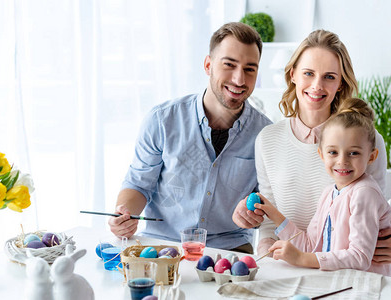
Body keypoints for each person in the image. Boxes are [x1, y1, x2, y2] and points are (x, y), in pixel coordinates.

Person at [232, 29, 391, 264]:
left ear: (341, 83)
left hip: (344, 274)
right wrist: (268, 255)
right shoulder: (268, 139)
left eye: (329, 77)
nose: (317, 85)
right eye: (308, 73)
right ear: (293, 74)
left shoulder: (367, 141)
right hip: (287, 265)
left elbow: (373, 219)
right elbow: (269, 224)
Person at [108, 22, 272, 253]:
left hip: (230, 247)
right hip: (163, 242)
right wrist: (123, 214)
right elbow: (138, 184)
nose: (239, 79)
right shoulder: (162, 120)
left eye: (249, 69)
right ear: (208, 65)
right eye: (229, 65)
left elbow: (267, 199)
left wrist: (255, 213)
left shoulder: (266, 135)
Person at [256, 97, 391, 276]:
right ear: (322, 155)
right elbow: (311, 246)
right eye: (333, 152)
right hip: (334, 281)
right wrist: (274, 215)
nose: (342, 161)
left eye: (354, 153)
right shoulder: (330, 193)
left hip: (362, 287)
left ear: (371, 157)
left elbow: (360, 257)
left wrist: (301, 259)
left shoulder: (365, 193)